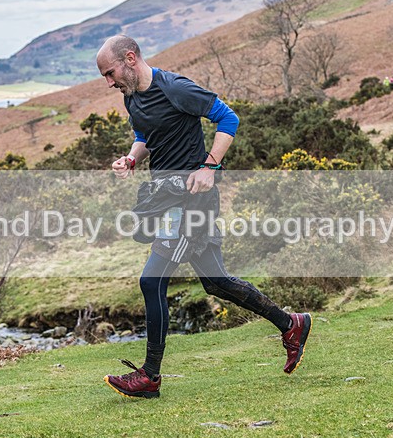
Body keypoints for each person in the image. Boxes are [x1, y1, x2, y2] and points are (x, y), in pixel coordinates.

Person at [96, 35, 311, 399]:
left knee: (152, 281)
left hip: (192, 201)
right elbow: (145, 134)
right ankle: (290, 324)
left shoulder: (175, 88)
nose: (109, 82)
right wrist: (132, 158)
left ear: (130, 58)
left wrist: (209, 167)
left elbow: (228, 118)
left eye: (110, 73)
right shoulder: (132, 95)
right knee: (214, 281)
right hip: (168, 199)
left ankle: (149, 376)